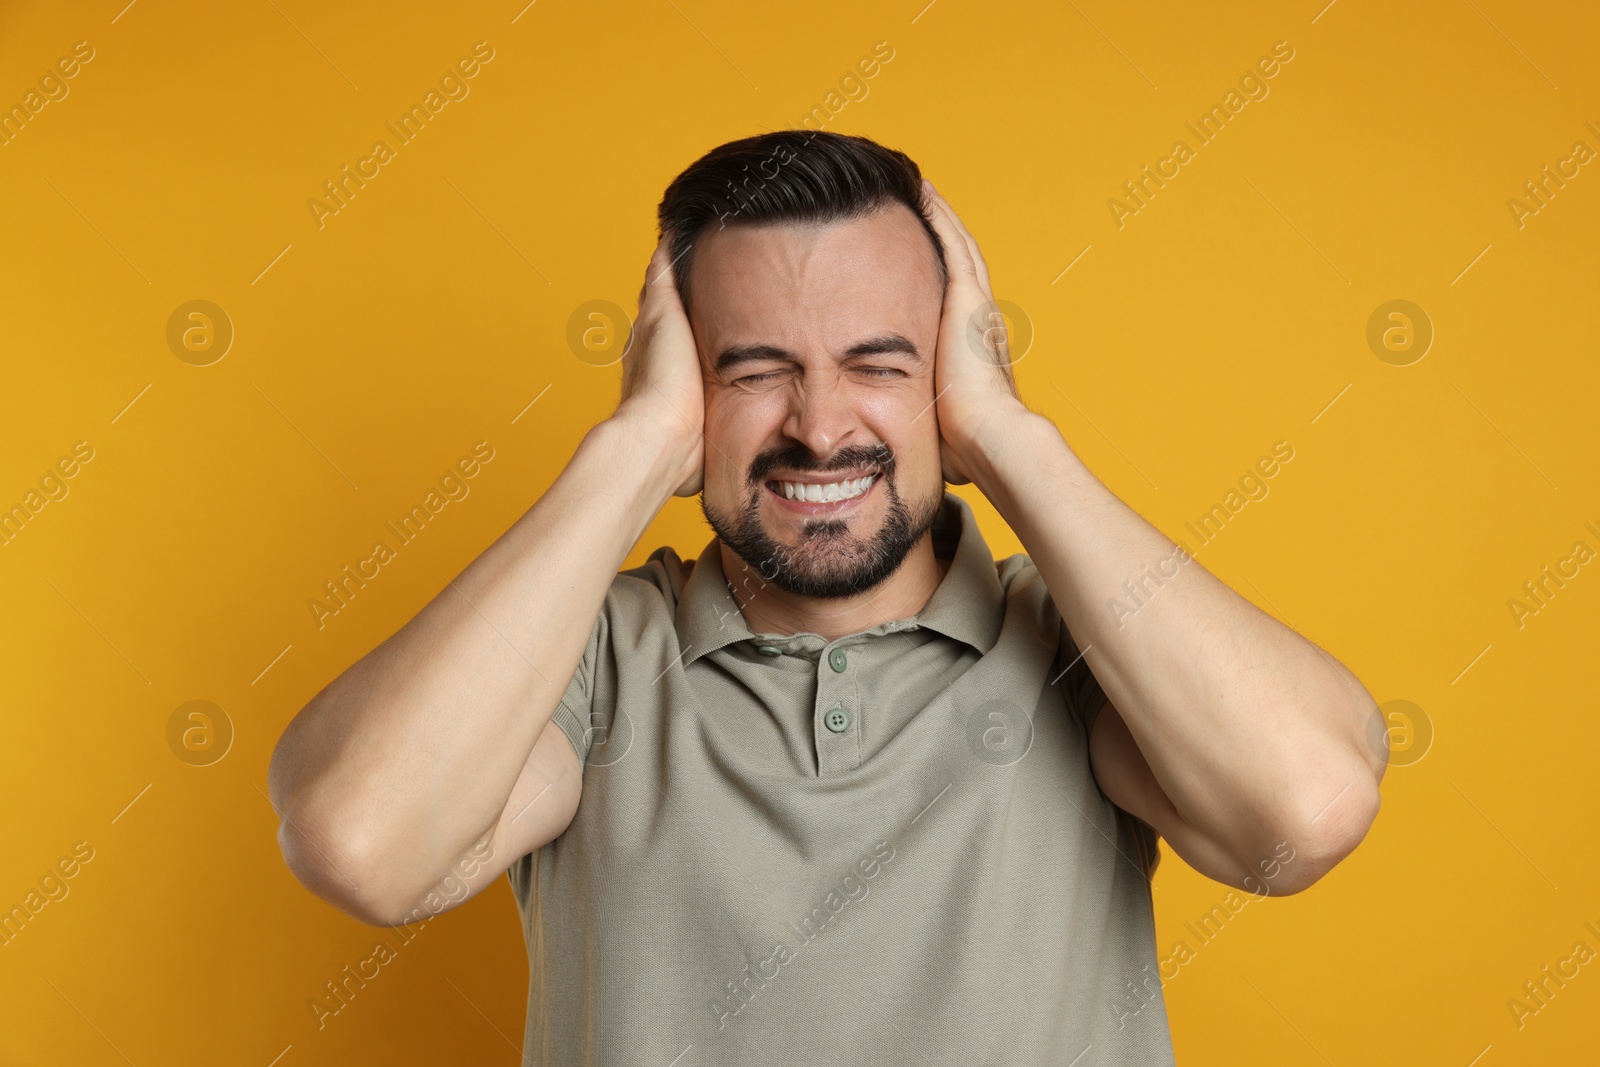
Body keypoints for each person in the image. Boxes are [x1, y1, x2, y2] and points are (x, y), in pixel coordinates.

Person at [268, 130, 1386, 1065]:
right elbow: (361, 842)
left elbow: (1305, 809)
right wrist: (626, 449)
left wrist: (1005, 434)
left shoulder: (1079, 642)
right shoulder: (593, 657)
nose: (818, 422)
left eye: (880, 363)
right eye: (753, 368)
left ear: (949, 378)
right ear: (682, 382)